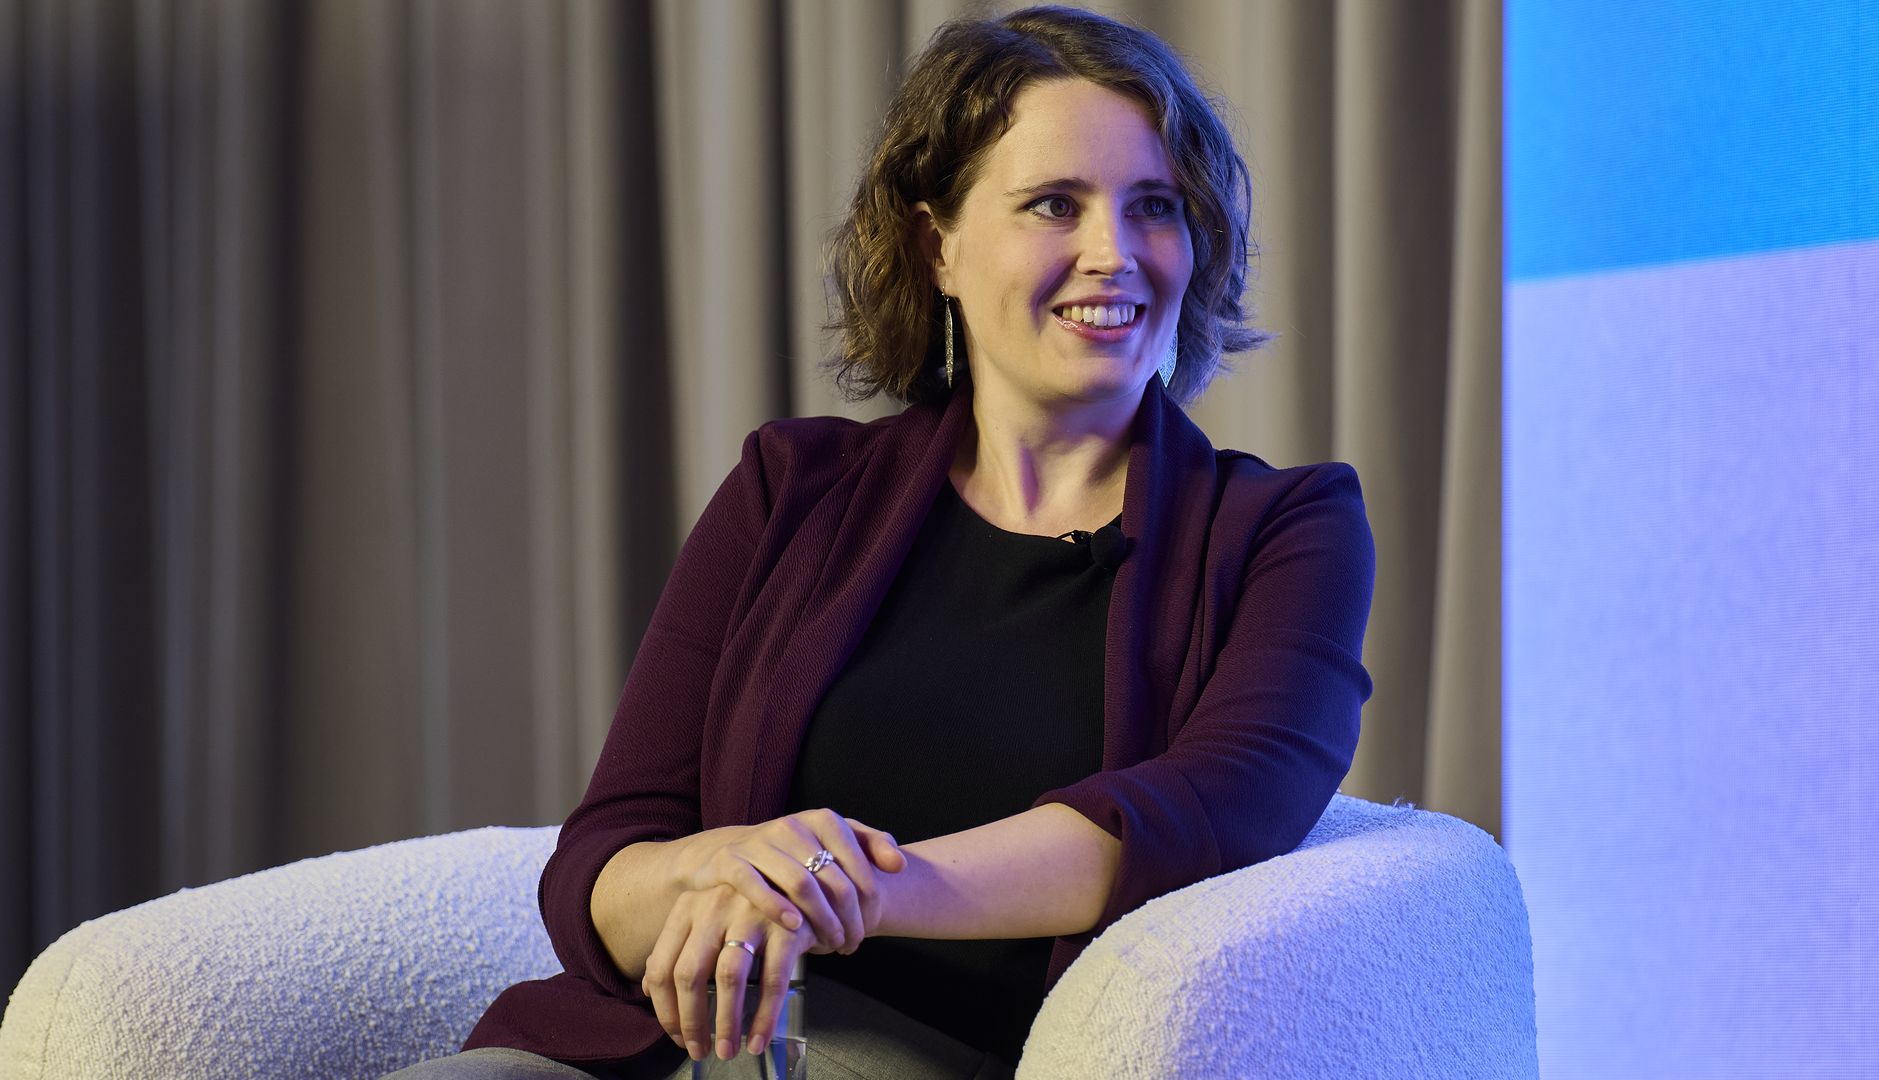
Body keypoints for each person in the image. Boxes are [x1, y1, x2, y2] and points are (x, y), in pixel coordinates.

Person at [387, 6, 1372, 1078]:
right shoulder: (790, 490)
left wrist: (837, 887)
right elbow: (605, 859)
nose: (1115, 253)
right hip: (646, 1051)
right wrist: (720, 869)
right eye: (1055, 204)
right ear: (935, 243)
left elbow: (1214, 810)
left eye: (1155, 208)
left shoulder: (1287, 529)